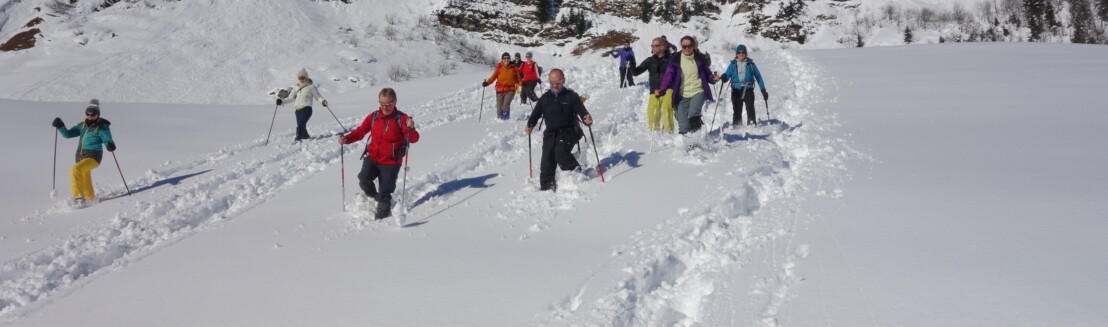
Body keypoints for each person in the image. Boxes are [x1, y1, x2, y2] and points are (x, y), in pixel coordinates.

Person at [338, 88, 420, 219]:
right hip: (373, 157)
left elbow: (414, 139)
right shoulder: (374, 116)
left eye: (388, 104)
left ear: (395, 102)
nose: (385, 107)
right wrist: (346, 139)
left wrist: (411, 128)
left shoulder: (402, 118)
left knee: (385, 193)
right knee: (364, 179)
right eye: (382, 103)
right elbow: (360, 132)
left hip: (391, 161)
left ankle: (381, 222)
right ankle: (376, 197)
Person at [525, 69, 593, 192]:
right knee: (547, 158)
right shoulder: (545, 98)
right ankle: (547, 187)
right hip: (551, 133)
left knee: (560, 152)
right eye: (552, 83)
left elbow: (582, 110)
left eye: (558, 83)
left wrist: (586, 118)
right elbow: (535, 114)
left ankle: (575, 172)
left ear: (564, 81)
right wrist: (530, 124)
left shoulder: (571, 96)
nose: (555, 86)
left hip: (570, 131)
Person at [52, 99, 116, 206]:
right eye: (88, 114)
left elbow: (107, 138)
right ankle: (90, 199)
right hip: (80, 156)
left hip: (94, 156)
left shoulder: (102, 127)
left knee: (74, 170)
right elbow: (68, 134)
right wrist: (61, 126)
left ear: (98, 115)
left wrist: (110, 144)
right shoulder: (82, 125)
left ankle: (78, 198)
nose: (90, 116)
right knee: (85, 177)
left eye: (93, 114)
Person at [656, 36, 717, 134]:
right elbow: (668, 76)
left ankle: (696, 140)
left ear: (693, 46)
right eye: (684, 46)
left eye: (689, 46)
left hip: (698, 91)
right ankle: (685, 142)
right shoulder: (676, 59)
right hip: (682, 94)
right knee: (683, 124)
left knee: (694, 114)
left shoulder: (700, 58)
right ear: (681, 46)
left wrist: (713, 78)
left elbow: (707, 74)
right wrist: (662, 90)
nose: (687, 49)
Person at [629, 37, 676, 132]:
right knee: (652, 112)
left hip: (668, 88)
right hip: (654, 90)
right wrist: (632, 62)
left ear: (663, 47)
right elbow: (636, 72)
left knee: (667, 109)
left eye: (656, 45)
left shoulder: (671, 59)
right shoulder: (650, 60)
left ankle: (668, 131)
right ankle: (654, 132)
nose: (653, 48)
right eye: (652, 46)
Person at [715, 44, 768, 126]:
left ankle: (752, 125)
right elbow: (727, 76)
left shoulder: (751, 64)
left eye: (743, 52)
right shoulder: (733, 65)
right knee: (737, 111)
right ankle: (737, 127)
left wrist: (763, 90)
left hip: (748, 89)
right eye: (739, 52)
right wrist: (723, 77)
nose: (741, 54)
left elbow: (758, 77)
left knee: (750, 109)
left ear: (746, 53)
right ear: (736, 54)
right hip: (736, 90)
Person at [277, 68, 329, 142]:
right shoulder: (296, 87)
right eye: (299, 78)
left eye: (303, 78)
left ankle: (298, 139)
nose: (301, 79)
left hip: (307, 109)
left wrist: (323, 101)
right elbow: (290, 98)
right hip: (298, 110)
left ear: (306, 77)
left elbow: (318, 97)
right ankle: (306, 137)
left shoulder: (311, 87)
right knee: (302, 126)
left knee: (300, 125)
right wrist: (281, 101)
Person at [483, 52, 521, 120]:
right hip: (500, 89)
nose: (506, 59)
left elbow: (518, 79)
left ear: (510, 59)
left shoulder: (514, 68)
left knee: (505, 105)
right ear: (502, 59)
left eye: (508, 58)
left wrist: (523, 84)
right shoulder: (499, 67)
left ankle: (505, 121)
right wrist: (487, 83)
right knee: (499, 108)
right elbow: (493, 77)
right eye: (504, 58)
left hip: (511, 89)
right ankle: (499, 122)